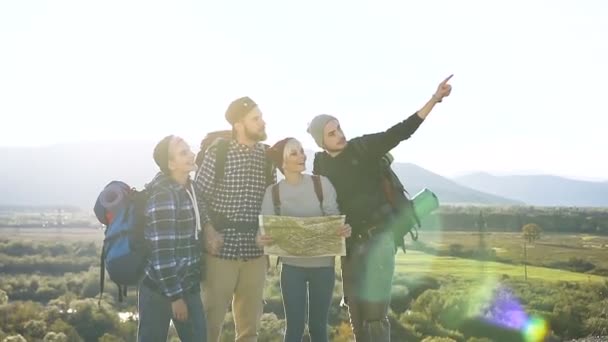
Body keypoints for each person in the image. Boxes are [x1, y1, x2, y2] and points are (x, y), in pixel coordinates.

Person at [306, 75, 454, 342]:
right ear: (321, 142)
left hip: (379, 240)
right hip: (349, 247)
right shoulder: (321, 166)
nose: (340, 135)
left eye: (339, 128)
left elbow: (400, 132)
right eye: (331, 133)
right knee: (356, 313)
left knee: (375, 316)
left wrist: (434, 99)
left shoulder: (363, 148)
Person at [194, 96, 276, 342]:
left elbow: (272, 202)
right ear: (239, 124)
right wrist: (208, 229)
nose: (263, 122)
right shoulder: (218, 153)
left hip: (255, 252)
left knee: (250, 329)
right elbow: (198, 197)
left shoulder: (267, 157)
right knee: (210, 324)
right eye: (256, 118)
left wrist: (269, 241)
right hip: (220, 250)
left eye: (261, 117)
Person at [258, 137, 352, 342]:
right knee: (294, 328)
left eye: (301, 151)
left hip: (323, 267)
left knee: (319, 328)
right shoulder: (272, 193)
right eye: (294, 153)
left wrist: (343, 229)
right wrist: (262, 239)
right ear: (282, 163)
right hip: (291, 268)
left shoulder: (321, 184)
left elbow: (333, 218)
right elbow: (263, 233)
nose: (302, 155)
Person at [138, 135, 206, 342]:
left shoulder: (190, 188)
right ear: (170, 164)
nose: (191, 155)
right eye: (183, 153)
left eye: (189, 150)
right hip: (159, 290)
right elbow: (162, 252)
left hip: (189, 284)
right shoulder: (163, 195)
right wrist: (175, 297)